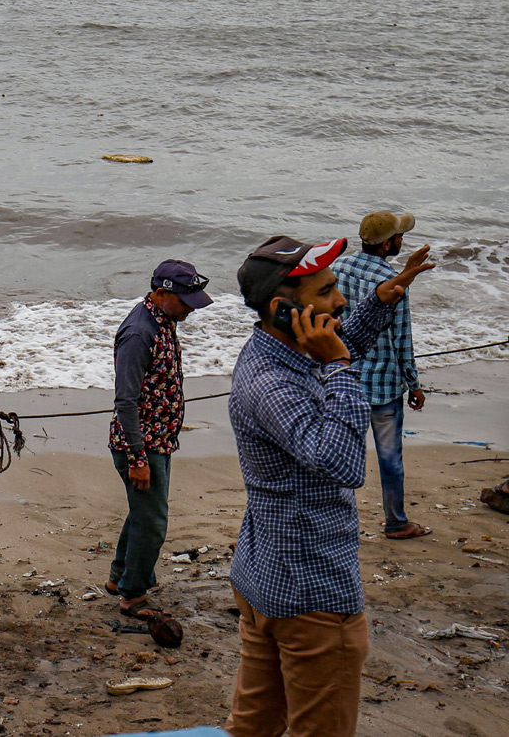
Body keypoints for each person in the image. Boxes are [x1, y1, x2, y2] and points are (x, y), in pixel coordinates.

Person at [226, 234, 432, 737]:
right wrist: (342, 368)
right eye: (326, 292)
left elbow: (335, 339)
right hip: (311, 593)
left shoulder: (281, 351)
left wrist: (381, 302)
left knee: (254, 727)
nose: (340, 300)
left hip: (267, 577)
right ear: (282, 310)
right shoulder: (273, 385)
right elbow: (342, 463)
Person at [107, 260, 212, 617]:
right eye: (186, 301)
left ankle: (120, 576)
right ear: (161, 293)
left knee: (144, 512)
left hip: (159, 440)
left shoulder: (164, 320)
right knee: (153, 521)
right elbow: (125, 400)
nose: (190, 309)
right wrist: (137, 458)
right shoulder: (139, 333)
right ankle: (132, 596)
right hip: (140, 445)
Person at [332, 211, 431, 540]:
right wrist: (414, 384)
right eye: (399, 236)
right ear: (388, 243)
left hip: (343, 380)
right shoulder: (393, 280)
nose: (402, 241)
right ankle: (395, 522)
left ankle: (337, 525)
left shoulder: (338, 268)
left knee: (343, 458)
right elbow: (402, 338)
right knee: (390, 459)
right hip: (385, 385)